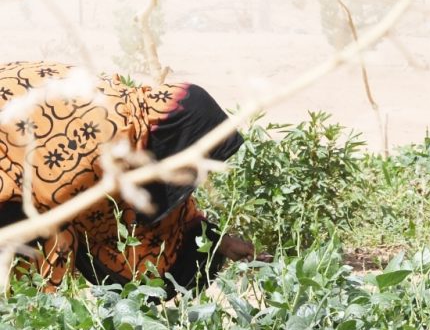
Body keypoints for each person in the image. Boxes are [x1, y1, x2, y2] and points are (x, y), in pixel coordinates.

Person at [0, 60, 255, 295]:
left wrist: (219, 241)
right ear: (178, 140)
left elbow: (168, 209)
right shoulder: (101, 145)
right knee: (54, 241)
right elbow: (68, 215)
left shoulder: (134, 110)